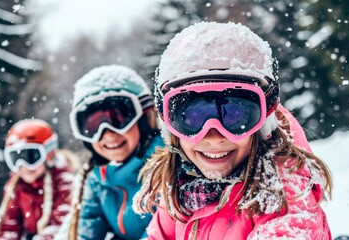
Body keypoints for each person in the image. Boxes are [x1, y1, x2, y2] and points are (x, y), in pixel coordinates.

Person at [132, 22, 333, 239]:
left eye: (235, 114)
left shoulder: (283, 197)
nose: (214, 137)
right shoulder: (183, 183)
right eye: (193, 117)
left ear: (263, 121)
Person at [63, 65, 163, 240]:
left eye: (119, 119)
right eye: (92, 126)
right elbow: (85, 233)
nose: (108, 134)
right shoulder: (97, 181)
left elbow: (165, 232)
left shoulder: (169, 167)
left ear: (144, 119)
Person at [0, 119, 74, 240]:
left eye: (30, 157)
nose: (23, 166)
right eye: (15, 159)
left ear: (48, 155)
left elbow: (61, 226)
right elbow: (9, 226)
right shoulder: (15, 186)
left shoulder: (64, 183)